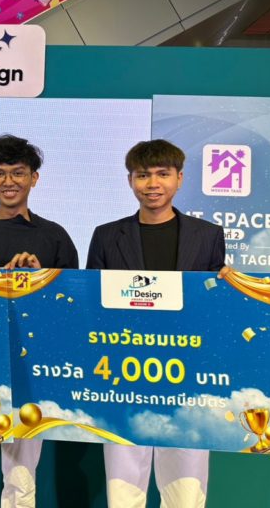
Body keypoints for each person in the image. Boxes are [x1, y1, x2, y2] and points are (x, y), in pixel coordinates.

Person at [86, 139, 226, 508]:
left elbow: (213, 306)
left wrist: (230, 289)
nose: (152, 184)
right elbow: (91, 304)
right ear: (130, 180)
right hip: (122, 371)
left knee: (186, 486)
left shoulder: (208, 235)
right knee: (123, 486)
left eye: (162, 174)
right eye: (142, 175)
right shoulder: (106, 235)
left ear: (180, 178)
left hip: (188, 372)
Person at [0, 134, 78, 508]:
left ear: (34, 178)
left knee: (22, 474)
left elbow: (71, 306)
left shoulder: (54, 235)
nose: (9, 181)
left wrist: (42, 278)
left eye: (18, 172)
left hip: (31, 366)